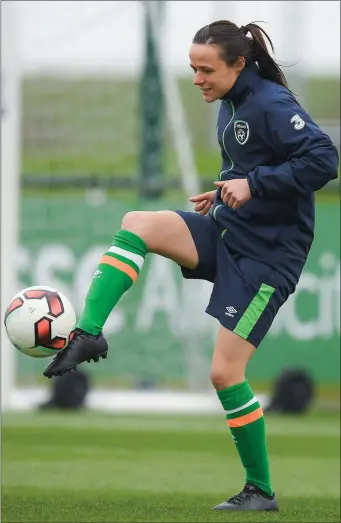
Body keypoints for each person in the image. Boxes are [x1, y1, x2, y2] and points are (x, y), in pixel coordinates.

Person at [43, 20, 339, 511]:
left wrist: (254, 184)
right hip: (229, 229)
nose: (198, 78)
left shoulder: (270, 103)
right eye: (192, 68)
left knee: (225, 374)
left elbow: (324, 159)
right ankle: (88, 332)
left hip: (267, 258)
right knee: (139, 223)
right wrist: (228, 188)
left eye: (206, 69)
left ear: (238, 64)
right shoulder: (231, 104)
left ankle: (260, 491)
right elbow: (251, 169)